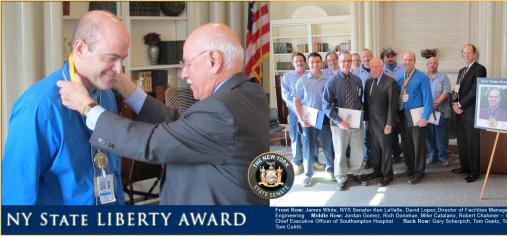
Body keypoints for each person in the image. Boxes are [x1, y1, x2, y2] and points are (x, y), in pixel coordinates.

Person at [57, 23, 269, 205]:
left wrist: (87, 108)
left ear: (213, 60)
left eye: (187, 63)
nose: (184, 73)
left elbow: (152, 143)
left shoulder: (222, 111)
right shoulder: (249, 93)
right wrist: (124, 86)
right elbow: (182, 125)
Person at [2, 10, 126, 205]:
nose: (119, 70)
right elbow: (17, 198)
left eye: (123, 59)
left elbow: (113, 170)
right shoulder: (38, 107)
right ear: (80, 49)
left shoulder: (107, 95)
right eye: (111, 58)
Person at [323, 50, 366, 191]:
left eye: (349, 61)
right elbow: (326, 105)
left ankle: (358, 173)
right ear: (338, 62)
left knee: (358, 149)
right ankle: (341, 177)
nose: (346, 63)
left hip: (356, 122)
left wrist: (361, 117)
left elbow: (360, 101)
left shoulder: (357, 80)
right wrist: (339, 120)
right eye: (343, 61)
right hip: (338, 124)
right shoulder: (332, 82)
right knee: (340, 151)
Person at [293, 52, 335, 187]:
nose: (315, 65)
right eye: (312, 62)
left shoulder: (328, 79)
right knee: (309, 148)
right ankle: (308, 174)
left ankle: (331, 171)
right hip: (308, 120)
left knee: (328, 146)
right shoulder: (302, 81)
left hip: (325, 119)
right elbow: (296, 101)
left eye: (317, 62)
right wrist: (300, 119)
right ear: (308, 64)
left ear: (321, 63)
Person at [451, 44, 487, 183]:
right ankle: (465, 167)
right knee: (462, 142)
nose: (466, 55)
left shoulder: (480, 69)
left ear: (475, 54)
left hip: (471, 112)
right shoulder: (461, 70)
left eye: (469, 53)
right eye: (464, 53)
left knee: (472, 143)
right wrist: (454, 104)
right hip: (459, 112)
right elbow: (456, 89)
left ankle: (474, 172)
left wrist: (460, 104)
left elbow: (475, 90)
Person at [396, 51, 433, 185]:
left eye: (410, 60)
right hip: (403, 115)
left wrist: (425, 117)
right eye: (405, 60)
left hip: (417, 115)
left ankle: (419, 172)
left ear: (414, 62)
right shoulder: (399, 77)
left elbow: (428, 99)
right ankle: (410, 168)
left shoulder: (422, 77)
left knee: (418, 145)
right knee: (406, 144)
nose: (407, 62)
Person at [363, 58, 399, 187]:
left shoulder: (390, 82)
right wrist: (366, 119)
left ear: (382, 67)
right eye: (371, 67)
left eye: (376, 67)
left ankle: (387, 174)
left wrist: (389, 124)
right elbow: (367, 104)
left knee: (386, 150)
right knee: (375, 149)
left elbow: (393, 106)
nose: (373, 69)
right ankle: (377, 171)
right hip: (372, 124)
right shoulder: (368, 82)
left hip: (385, 125)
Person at [281, 53, 307, 175]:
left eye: (301, 60)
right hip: (293, 112)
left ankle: (314, 159)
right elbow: (286, 96)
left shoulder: (309, 75)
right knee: (296, 137)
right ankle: (297, 162)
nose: (299, 63)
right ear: (293, 63)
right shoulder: (287, 77)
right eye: (296, 61)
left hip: (309, 112)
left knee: (310, 136)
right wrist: (298, 109)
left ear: (305, 62)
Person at [426, 57, 451, 167]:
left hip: (439, 111)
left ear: (437, 65)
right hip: (427, 112)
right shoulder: (423, 77)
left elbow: (446, 92)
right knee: (430, 135)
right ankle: (433, 155)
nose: (432, 65)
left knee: (440, 135)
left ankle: (443, 157)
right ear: (427, 64)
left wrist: (436, 103)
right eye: (430, 63)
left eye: (434, 63)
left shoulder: (443, 77)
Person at [380, 48, 403, 163]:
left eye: (392, 56)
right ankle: (396, 154)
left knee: (403, 130)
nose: (390, 58)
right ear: (383, 58)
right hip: (388, 106)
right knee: (391, 131)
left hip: (401, 104)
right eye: (387, 56)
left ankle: (407, 153)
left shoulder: (402, 68)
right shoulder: (381, 70)